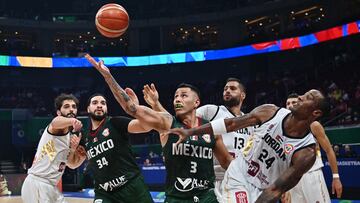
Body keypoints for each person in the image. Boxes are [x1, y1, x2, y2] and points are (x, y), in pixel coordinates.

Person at [85, 54, 233, 203]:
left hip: (206, 197)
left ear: (196, 102)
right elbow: (131, 108)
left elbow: (226, 161)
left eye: (183, 96)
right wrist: (108, 77)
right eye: (176, 96)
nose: (178, 99)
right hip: (177, 197)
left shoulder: (210, 129)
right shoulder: (168, 124)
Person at [169, 89, 330, 202]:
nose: (300, 97)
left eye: (307, 97)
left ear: (315, 113)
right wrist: (191, 132)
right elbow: (230, 123)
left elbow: (276, 189)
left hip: (265, 190)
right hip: (239, 175)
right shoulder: (270, 112)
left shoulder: (306, 153)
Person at [142, 78, 254, 201]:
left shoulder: (247, 122)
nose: (227, 91)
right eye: (225, 88)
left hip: (235, 175)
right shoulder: (212, 111)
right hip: (213, 177)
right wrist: (156, 105)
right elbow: (179, 122)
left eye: (232, 89)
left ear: (243, 95)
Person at [21, 94, 84, 203]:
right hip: (37, 183)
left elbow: (71, 165)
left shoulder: (69, 136)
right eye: (67, 106)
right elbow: (55, 122)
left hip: (50, 186)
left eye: (74, 107)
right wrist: (73, 121)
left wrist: (74, 150)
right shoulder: (57, 127)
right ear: (59, 112)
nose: (71, 109)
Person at [282, 93, 342, 203]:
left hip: (311, 175)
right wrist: (283, 187)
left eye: (294, 102)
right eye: (288, 103)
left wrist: (336, 177)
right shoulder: (282, 129)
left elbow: (329, 150)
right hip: (291, 179)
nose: (290, 105)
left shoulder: (313, 125)